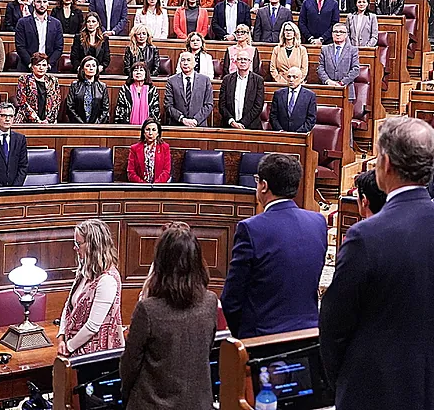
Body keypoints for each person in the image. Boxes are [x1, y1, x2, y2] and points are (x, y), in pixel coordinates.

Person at [319, 116, 434, 410]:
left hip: (371, 388)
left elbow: (334, 324)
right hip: (429, 383)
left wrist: (343, 380)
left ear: (386, 163)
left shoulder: (366, 235)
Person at [221, 152, 328, 337]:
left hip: (263, 340)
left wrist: (246, 337)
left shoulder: (250, 229)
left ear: (264, 186)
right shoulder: (318, 222)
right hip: (309, 335)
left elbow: (232, 299)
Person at [119, 222, 215, 409]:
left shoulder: (147, 310)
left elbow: (130, 365)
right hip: (198, 403)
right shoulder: (210, 301)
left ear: (160, 262)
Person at [15, 0, 64, 72]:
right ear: (33, 3)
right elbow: (20, 46)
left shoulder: (56, 23)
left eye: (44, 2)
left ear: (48, 4)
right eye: (38, 2)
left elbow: (59, 47)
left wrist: (48, 65)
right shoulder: (22, 22)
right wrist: (31, 64)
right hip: (27, 67)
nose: (42, 5)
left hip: (49, 68)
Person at [165, 51, 214, 127]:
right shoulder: (171, 81)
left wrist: (196, 120)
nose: (185, 63)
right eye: (183, 60)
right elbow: (168, 105)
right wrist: (182, 119)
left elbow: (209, 105)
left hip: (199, 125)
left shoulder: (205, 80)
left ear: (194, 63)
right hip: (178, 125)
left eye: (188, 60)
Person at [220, 51, 265, 129]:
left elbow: (258, 106)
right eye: (240, 59)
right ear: (235, 62)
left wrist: (242, 123)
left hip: (251, 127)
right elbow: (222, 104)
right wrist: (232, 122)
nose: (242, 61)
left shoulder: (258, 80)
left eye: (245, 59)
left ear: (250, 62)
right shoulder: (227, 80)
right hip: (229, 126)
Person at [14, 53, 61, 123]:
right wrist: (36, 119)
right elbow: (22, 102)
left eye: (44, 65)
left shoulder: (53, 80)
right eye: (38, 65)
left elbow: (56, 102)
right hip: (26, 120)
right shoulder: (24, 79)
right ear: (32, 67)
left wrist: (47, 120)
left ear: (47, 67)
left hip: (48, 121)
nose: (41, 68)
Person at [270, 67, 318, 133]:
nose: (291, 80)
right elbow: (273, 116)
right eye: (289, 77)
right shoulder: (278, 94)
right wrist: (280, 130)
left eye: (295, 77)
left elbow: (311, 119)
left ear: (301, 79)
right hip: (281, 135)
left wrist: (298, 133)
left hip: (301, 136)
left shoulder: (310, 96)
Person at [66, 57, 110, 124]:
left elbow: (105, 109)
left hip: (97, 127)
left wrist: (96, 124)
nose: (91, 68)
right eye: (88, 66)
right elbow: (70, 107)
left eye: (94, 66)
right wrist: (81, 124)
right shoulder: (74, 86)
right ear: (83, 69)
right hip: (77, 125)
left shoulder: (102, 86)